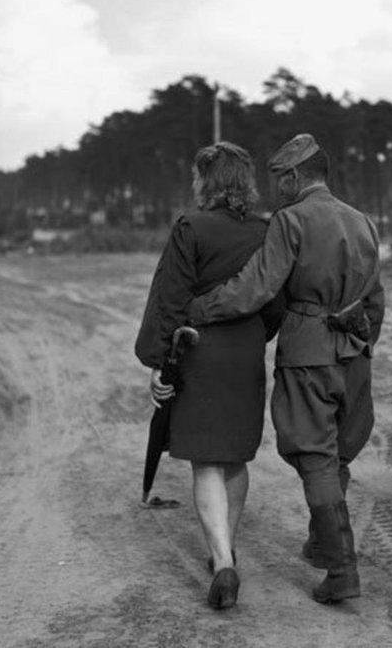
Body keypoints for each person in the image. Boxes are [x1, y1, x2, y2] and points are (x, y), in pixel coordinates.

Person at [187, 133, 384, 603]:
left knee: (314, 454)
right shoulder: (362, 221)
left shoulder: (290, 220)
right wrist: (360, 345)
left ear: (297, 177)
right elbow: (375, 301)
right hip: (354, 352)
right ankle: (321, 544)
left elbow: (255, 288)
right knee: (338, 451)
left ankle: (342, 571)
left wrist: (199, 308)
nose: (275, 188)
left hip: (308, 352)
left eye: (280, 179)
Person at [135, 141, 284, 609]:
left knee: (206, 461)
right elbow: (275, 299)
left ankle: (222, 562)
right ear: (246, 182)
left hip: (196, 348)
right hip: (245, 350)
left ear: (205, 181)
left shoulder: (189, 227)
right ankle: (227, 550)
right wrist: (255, 334)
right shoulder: (267, 230)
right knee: (236, 457)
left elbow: (170, 300)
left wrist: (161, 363)